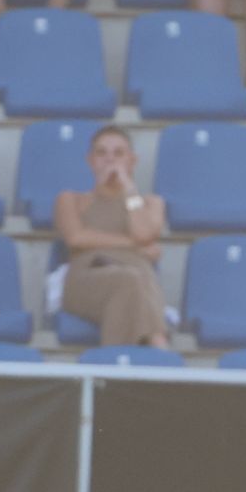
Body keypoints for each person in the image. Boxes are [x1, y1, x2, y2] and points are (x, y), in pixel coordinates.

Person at [55, 125, 168, 348]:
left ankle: (118, 362)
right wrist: (133, 246)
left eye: (118, 154)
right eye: (101, 153)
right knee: (131, 278)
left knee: (133, 278)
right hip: (86, 279)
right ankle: (159, 348)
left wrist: (129, 190)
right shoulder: (71, 199)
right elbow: (76, 238)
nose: (110, 160)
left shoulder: (151, 203)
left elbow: (143, 233)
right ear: (90, 160)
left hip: (136, 279)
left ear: (132, 161)